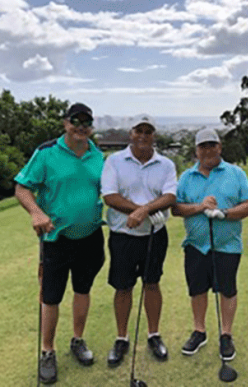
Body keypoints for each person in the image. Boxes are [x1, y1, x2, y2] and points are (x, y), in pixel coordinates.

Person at [14, 103, 105, 384]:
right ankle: (47, 351)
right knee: (51, 296)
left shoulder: (98, 156)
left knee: (83, 289)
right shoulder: (46, 153)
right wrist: (36, 212)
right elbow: (22, 188)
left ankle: (77, 340)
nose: (81, 127)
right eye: (76, 121)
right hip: (56, 239)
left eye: (86, 122)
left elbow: (107, 192)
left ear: (91, 127)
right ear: (66, 123)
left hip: (91, 236)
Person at [171, 128, 248, 361]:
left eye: (212, 145)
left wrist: (224, 213)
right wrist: (200, 207)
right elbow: (176, 208)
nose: (208, 150)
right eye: (203, 146)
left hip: (227, 245)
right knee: (197, 290)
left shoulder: (235, 173)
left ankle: (226, 334)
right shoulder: (187, 177)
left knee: (227, 290)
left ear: (219, 147)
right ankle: (199, 331)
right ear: (196, 150)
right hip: (196, 245)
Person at [101, 117, 177, 367]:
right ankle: (121, 338)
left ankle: (154, 335)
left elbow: (170, 196)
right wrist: (139, 210)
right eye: (139, 130)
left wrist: (143, 211)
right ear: (131, 133)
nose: (143, 135)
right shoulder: (114, 161)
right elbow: (110, 196)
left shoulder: (165, 164)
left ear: (154, 135)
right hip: (123, 235)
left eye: (148, 131)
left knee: (152, 283)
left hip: (155, 234)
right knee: (123, 287)